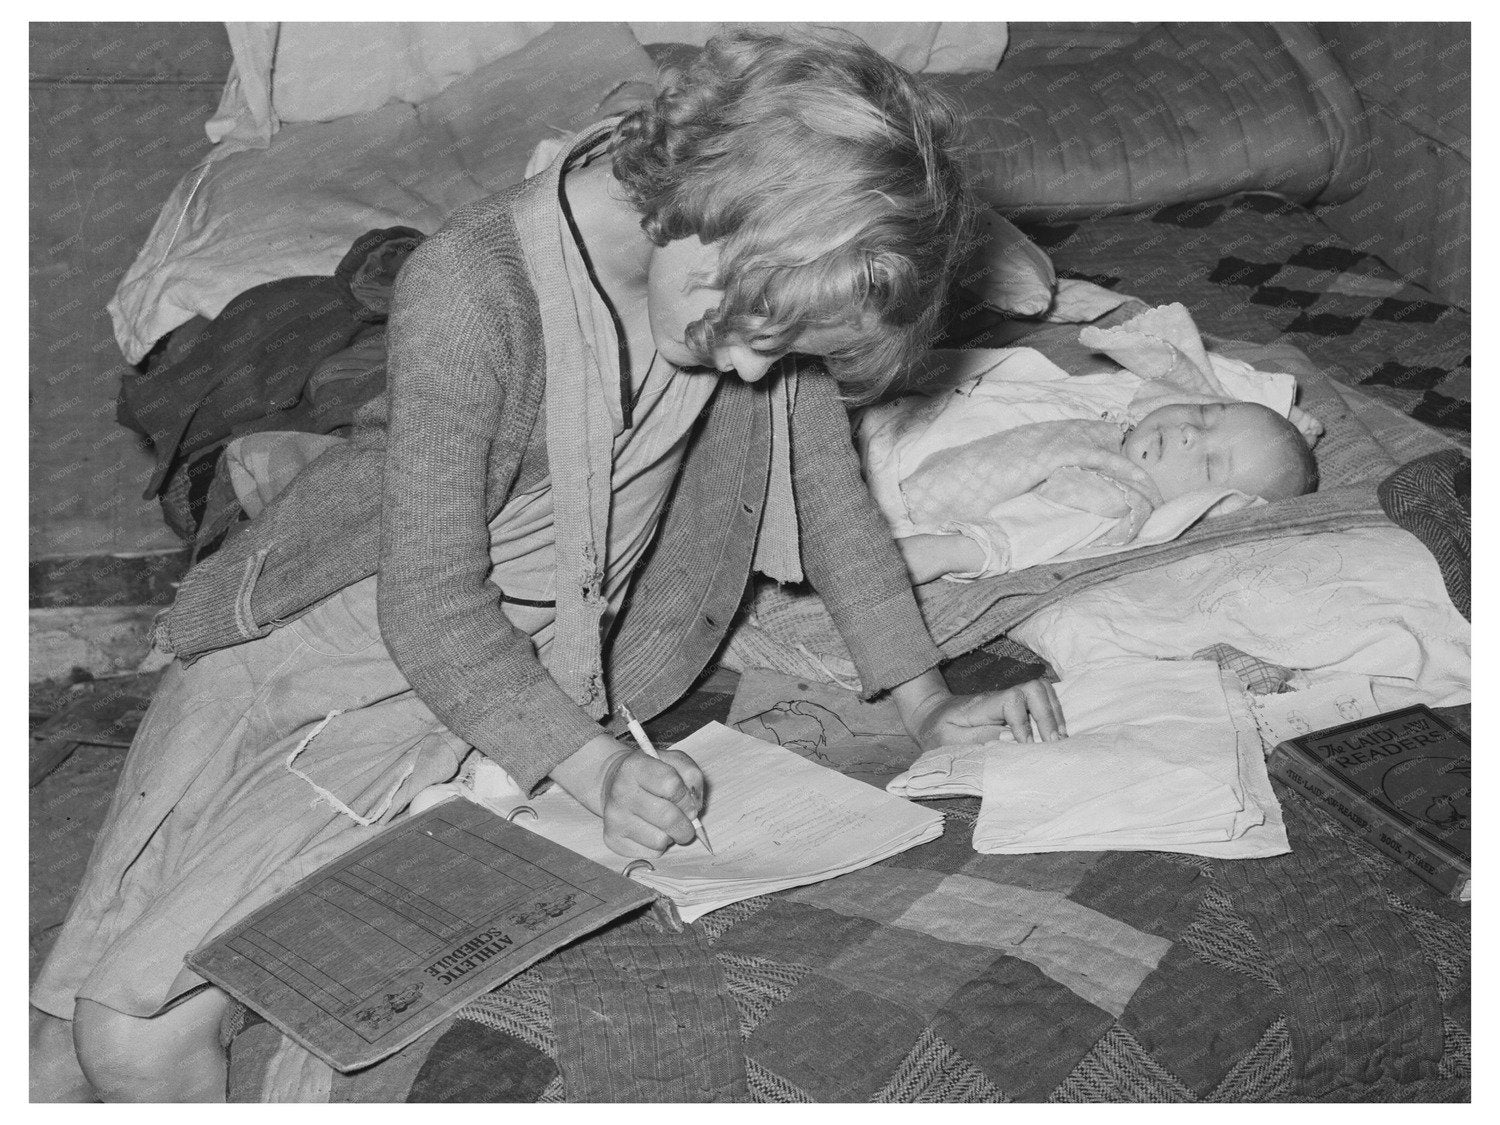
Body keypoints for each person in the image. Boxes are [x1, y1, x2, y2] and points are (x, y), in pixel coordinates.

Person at [30, 30, 1168, 1103]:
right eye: (752, 326)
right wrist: (590, 769)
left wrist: (925, 706)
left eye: (787, 349)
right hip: (356, 646)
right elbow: (427, 604)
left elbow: (834, 509)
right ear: (706, 200)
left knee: (119, 1020)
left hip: (513, 670)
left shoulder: (760, 270)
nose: (757, 366)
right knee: (108, 1035)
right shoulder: (471, 289)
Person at [858, 344, 1319, 583]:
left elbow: (1033, 529)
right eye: (1203, 417)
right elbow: (1193, 368)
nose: (1190, 434)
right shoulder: (1123, 413)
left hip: (877, 479)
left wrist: (944, 553)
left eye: (1209, 464)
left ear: (1207, 502)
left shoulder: (1115, 494)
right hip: (886, 410)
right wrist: (1281, 406)